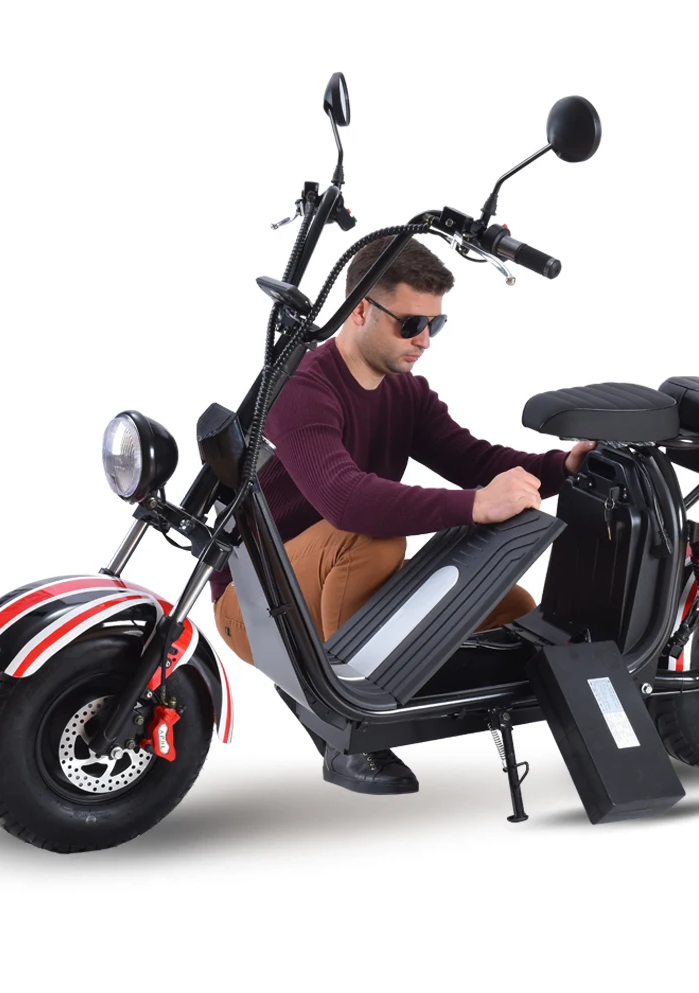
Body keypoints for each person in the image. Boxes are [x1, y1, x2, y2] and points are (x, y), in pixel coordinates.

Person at [211, 236, 594, 794]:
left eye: (435, 325)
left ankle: (409, 693)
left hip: (332, 583)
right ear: (359, 310)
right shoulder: (301, 388)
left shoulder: (405, 393)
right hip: (257, 605)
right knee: (372, 538)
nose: (424, 340)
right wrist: (477, 505)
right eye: (411, 324)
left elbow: (477, 461)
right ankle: (346, 724)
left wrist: (564, 466)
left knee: (513, 611)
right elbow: (345, 500)